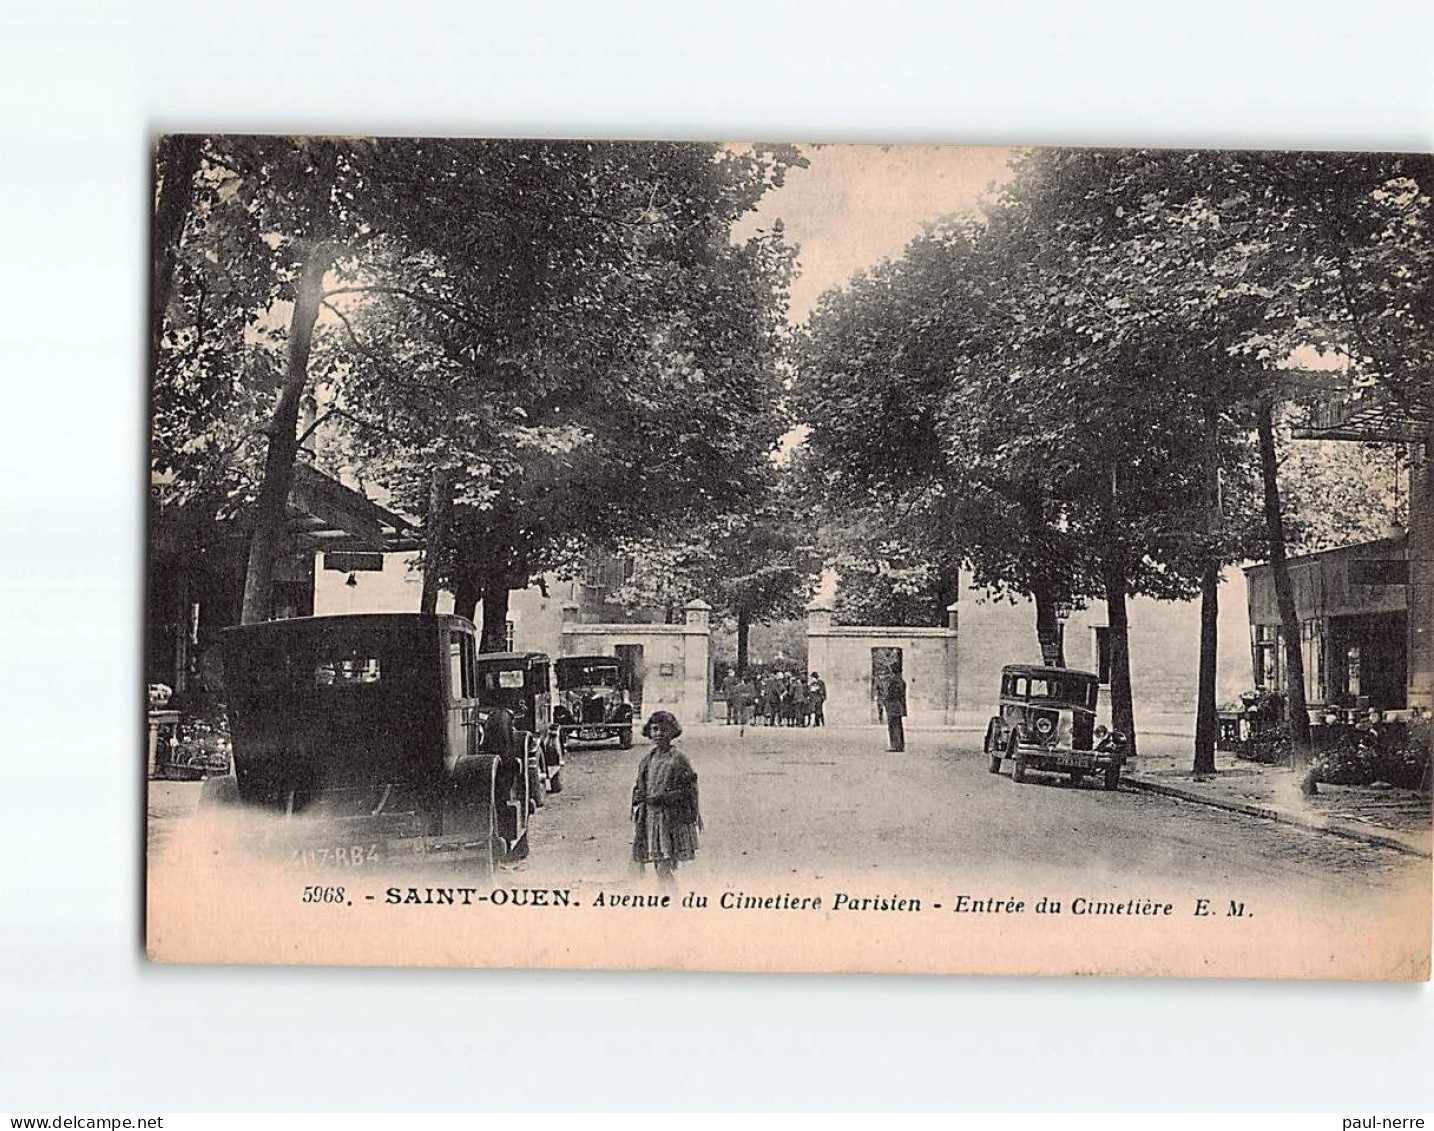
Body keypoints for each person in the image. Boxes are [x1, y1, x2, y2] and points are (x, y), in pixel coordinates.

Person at [631, 711, 701, 885]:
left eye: (664, 730)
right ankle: (667, 897)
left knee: (664, 865)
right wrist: (638, 795)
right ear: (649, 732)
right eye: (655, 729)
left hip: (670, 820)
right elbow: (640, 784)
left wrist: (663, 798)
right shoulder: (648, 759)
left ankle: (670, 898)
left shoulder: (679, 760)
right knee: (657, 863)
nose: (659, 734)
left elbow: (688, 790)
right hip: (650, 819)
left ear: (673, 732)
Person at [884, 670, 907, 752]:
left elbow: (893, 695)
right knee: (898, 726)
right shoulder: (902, 682)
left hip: (894, 707)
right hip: (898, 707)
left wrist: (886, 699)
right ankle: (900, 745)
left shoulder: (895, 682)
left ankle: (895, 745)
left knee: (894, 727)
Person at [734, 672, 756, 736]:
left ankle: (742, 727)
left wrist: (741, 696)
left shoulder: (739, 686)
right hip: (749, 703)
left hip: (742, 702)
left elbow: (736, 694)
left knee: (742, 714)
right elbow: (753, 694)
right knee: (750, 713)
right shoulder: (751, 687)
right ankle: (750, 722)